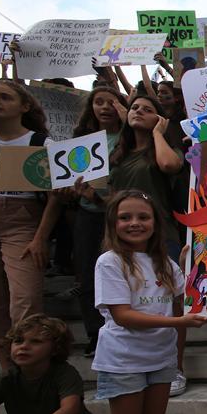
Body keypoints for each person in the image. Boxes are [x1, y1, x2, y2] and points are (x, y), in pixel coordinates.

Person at [91, 190, 207, 414]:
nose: (135, 223)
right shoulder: (110, 262)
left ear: (156, 223)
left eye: (143, 216)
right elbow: (123, 316)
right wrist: (177, 322)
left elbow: (188, 299)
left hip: (160, 360)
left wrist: (196, 264)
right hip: (123, 361)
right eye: (125, 217)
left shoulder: (166, 263)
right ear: (113, 223)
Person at [0, 79, 62, 372]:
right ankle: (9, 372)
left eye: (5, 97)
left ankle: (31, 370)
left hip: (21, 220)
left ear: (24, 106)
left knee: (25, 298)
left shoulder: (41, 144)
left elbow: (55, 195)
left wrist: (41, 237)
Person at [69, 87, 130, 357]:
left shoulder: (129, 138)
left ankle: (123, 329)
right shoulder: (81, 141)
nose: (105, 107)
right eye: (99, 102)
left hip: (120, 215)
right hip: (88, 215)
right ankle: (95, 334)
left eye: (111, 102)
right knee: (87, 272)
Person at [108, 96, 184, 259]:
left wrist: (157, 133)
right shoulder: (118, 155)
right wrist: (90, 195)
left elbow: (169, 164)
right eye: (134, 108)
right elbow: (112, 197)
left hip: (160, 237)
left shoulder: (168, 150)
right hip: (123, 235)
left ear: (160, 120)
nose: (139, 111)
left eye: (147, 110)